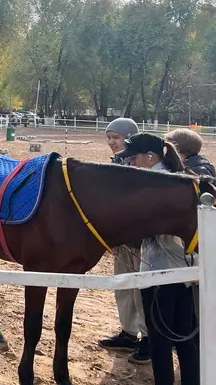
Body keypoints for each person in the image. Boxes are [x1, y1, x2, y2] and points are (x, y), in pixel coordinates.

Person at [115, 133, 199, 384]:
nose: (131, 164)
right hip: (182, 271)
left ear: (150, 157)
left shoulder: (157, 186)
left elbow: (142, 229)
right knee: (185, 337)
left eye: (134, 158)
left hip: (160, 271)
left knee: (160, 339)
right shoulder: (177, 180)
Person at [98, 117, 150, 364]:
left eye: (116, 138)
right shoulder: (117, 162)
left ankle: (148, 337)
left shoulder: (142, 164)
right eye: (109, 138)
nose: (111, 142)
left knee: (142, 290)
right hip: (122, 238)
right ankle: (129, 332)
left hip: (141, 239)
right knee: (123, 285)